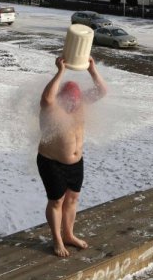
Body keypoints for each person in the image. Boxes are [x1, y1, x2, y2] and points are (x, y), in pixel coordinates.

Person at [37, 56, 108, 257]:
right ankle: (57, 239)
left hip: (76, 163)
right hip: (52, 162)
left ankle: (68, 234)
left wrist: (92, 69)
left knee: (72, 199)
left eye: (76, 102)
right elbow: (47, 98)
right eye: (70, 102)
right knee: (57, 201)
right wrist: (60, 71)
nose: (74, 106)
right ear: (62, 98)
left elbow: (102, 91)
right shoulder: (51, 107)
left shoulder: (81, 102)